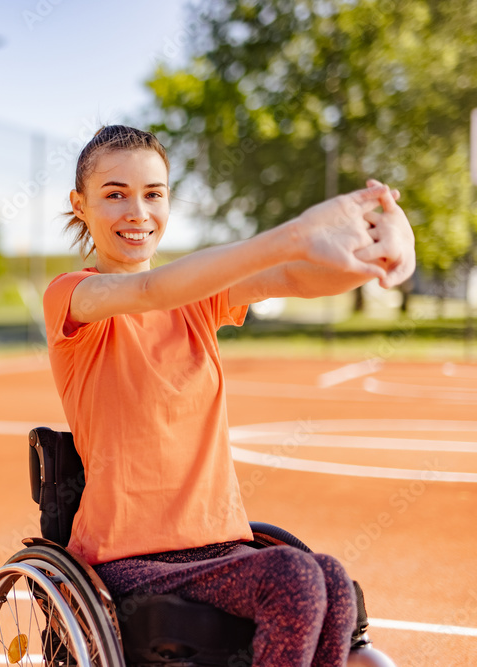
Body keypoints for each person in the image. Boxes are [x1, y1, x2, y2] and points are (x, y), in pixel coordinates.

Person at [42, 125, 414, 666]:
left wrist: (379, 252)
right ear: (80, 205)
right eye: (115, 194)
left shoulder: (197, 301)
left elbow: (296, 277)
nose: (137, 212)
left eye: (153, 194)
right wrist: (294, 232)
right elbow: (149, 289)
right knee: (294, 578)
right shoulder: (72, 295)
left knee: (327, 574)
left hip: (219, 545)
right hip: (130, 558)